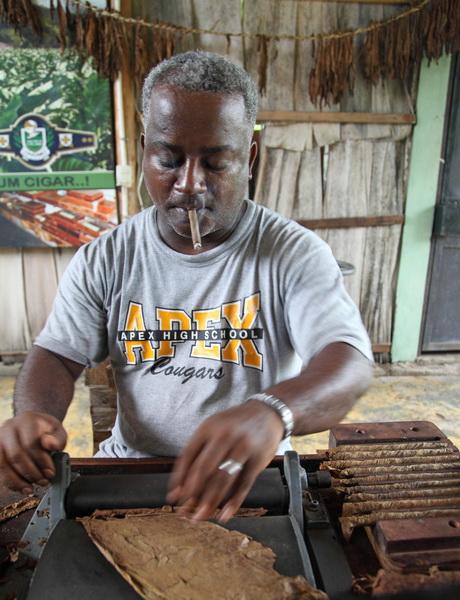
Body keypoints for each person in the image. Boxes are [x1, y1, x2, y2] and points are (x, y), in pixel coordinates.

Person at [0, 51, 373, 522]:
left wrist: (273, 412)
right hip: (132, 474)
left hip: (246, 479)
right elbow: (55, 355)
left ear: (250, 157)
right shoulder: (107, 257)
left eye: (216, 162)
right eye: (169, 159)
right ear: (144, 151)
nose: (190, 184)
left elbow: (349, 361)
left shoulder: (291, 254)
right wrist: (36, 416)